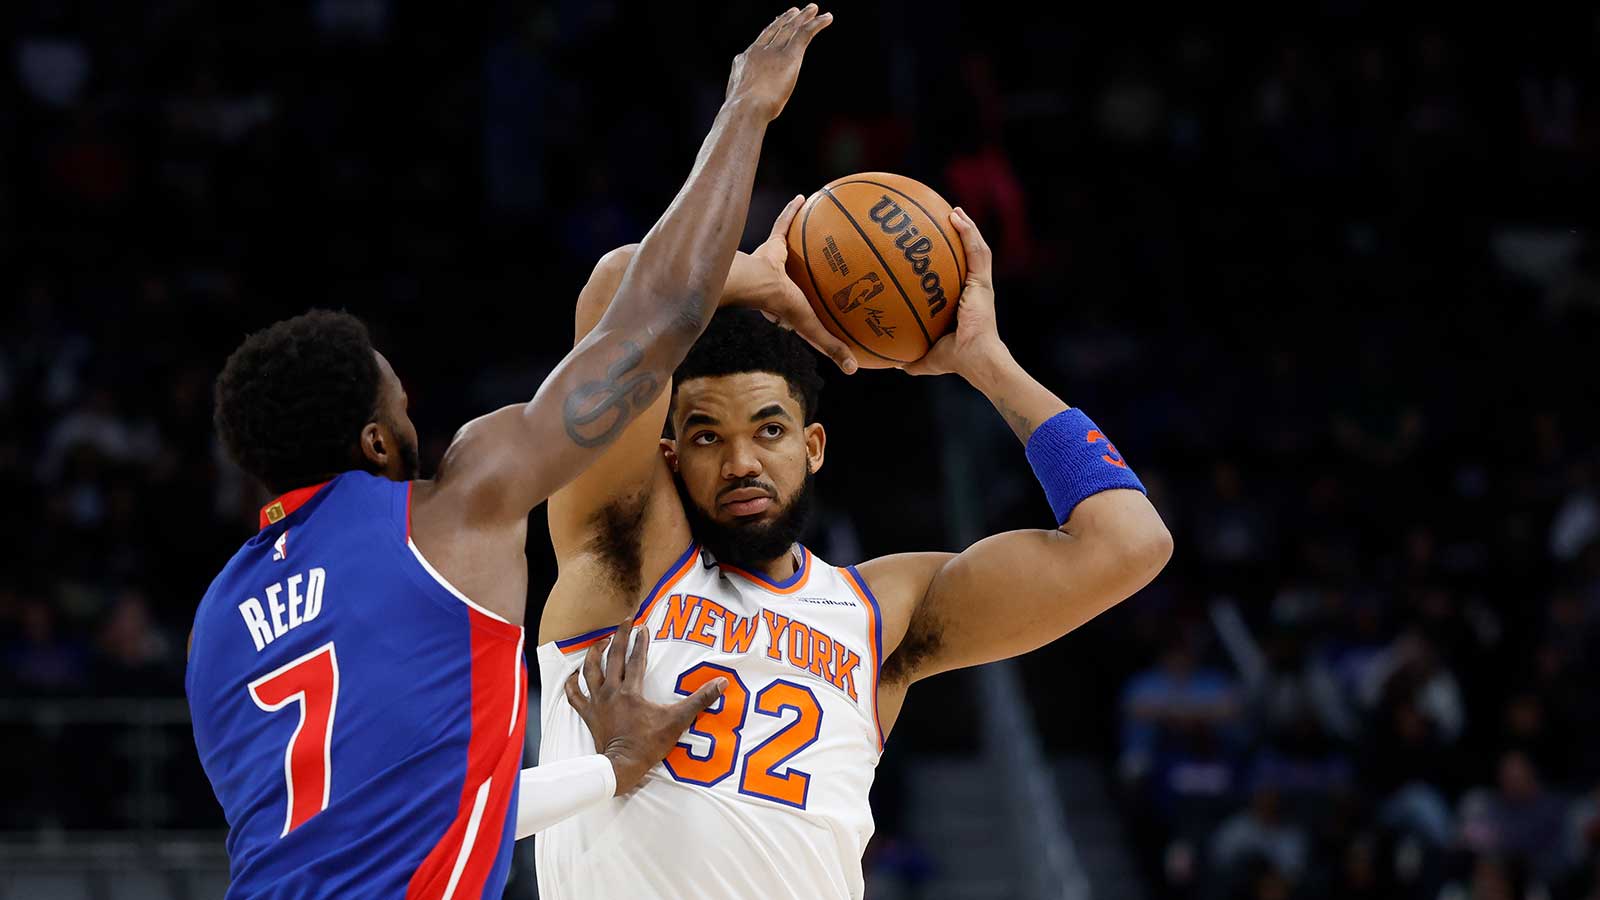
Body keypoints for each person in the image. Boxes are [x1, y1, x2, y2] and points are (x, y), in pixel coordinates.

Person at [184, 6, 839, 898]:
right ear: (375, 441)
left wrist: (608, 770)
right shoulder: (453, 509)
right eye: (401, 406)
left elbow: (396, 818)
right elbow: (659, 315)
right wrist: (745, 110)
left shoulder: (217, 624)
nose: (415, 422)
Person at [534, 203, 1173, 898]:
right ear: (670, 457)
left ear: (812, 447)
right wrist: (750, 279)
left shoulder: (879, 612)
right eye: (708, 437)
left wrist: (987, 363)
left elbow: (1129, 543)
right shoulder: (623, 561)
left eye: (770, 431)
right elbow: (618, 285)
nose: (742, 463)